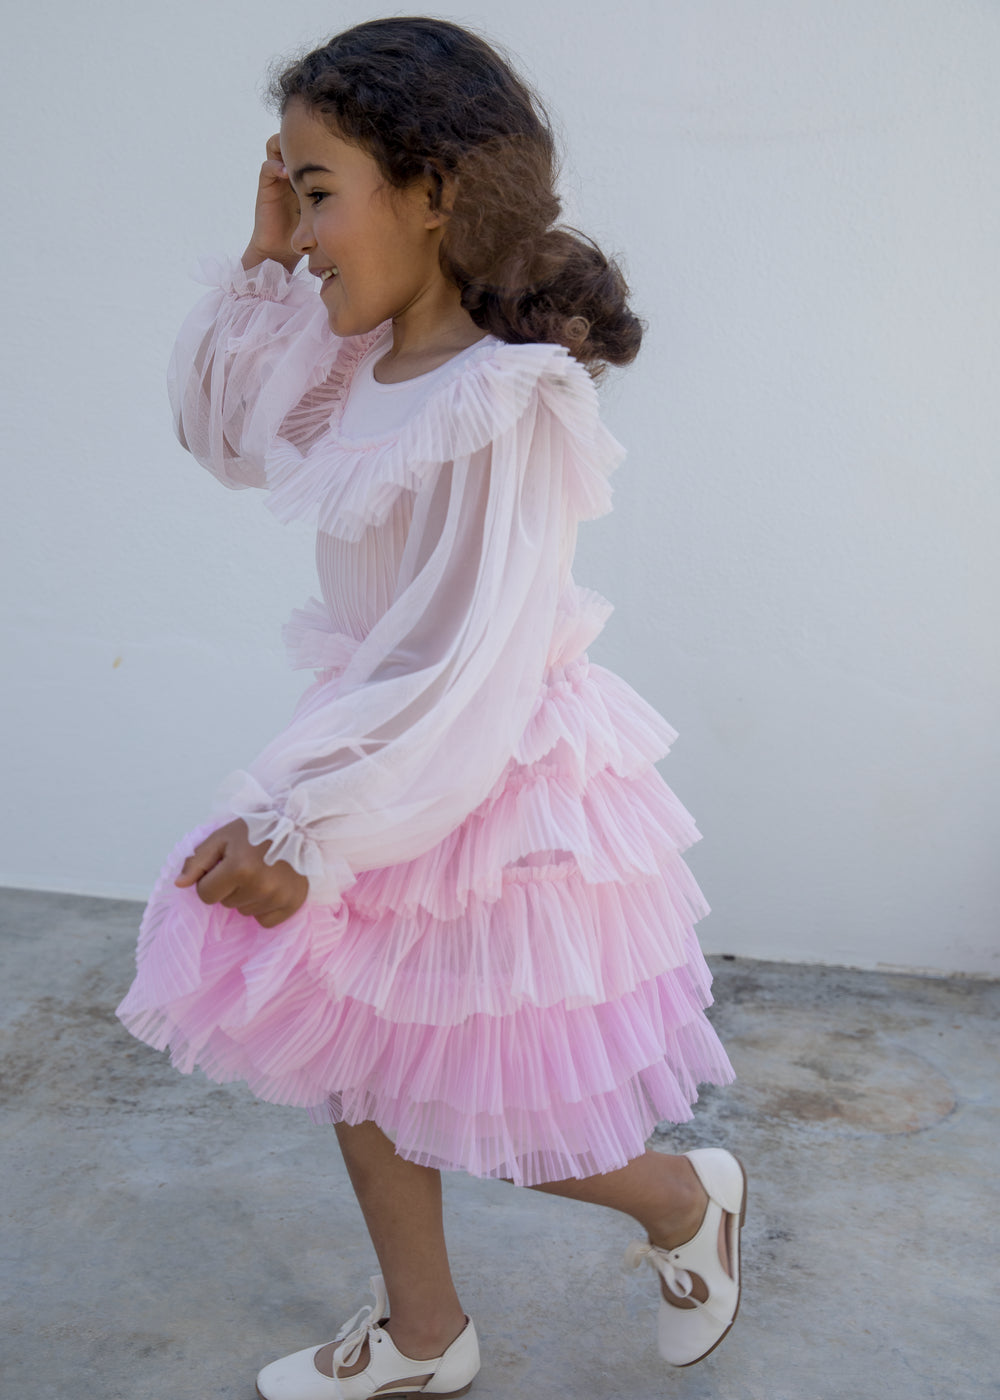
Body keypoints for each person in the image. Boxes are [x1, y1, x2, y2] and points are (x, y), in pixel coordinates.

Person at [116, 16, 746, 1399]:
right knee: (360, 1061)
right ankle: (424, 1334)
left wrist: (305, 825)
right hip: (382, 745)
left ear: (436, 192)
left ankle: (681, 1199)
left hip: (476, 766)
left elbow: (468, 657)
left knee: (496, 1100)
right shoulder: (358, 365)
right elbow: (220, 432)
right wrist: (273, 251)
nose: (309, 225)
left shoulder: (503, 400)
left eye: (324, 189)